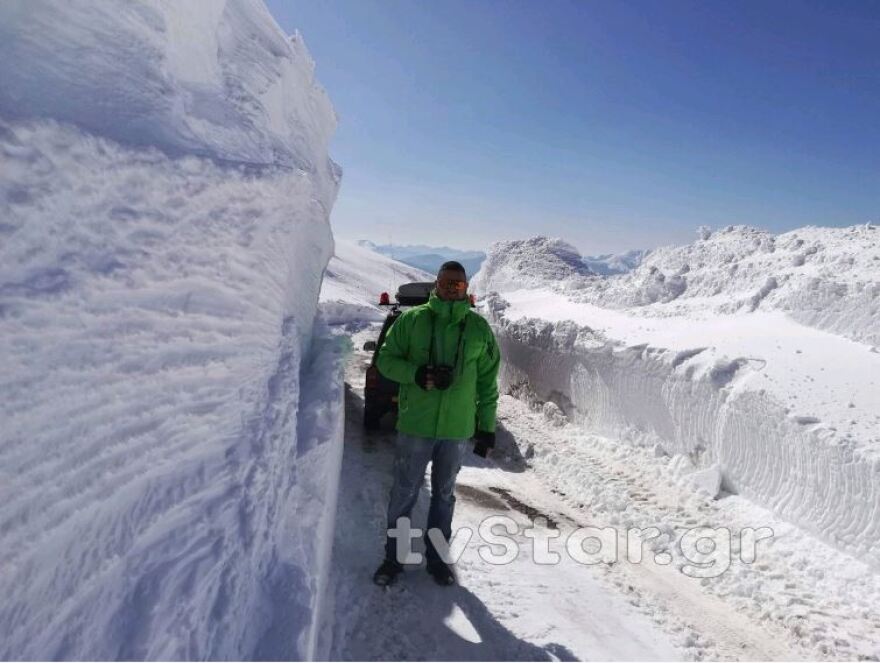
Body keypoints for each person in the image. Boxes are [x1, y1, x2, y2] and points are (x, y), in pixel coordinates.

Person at [372, 261, 500, 586]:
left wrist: (486, 428)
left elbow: (488, 383)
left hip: (456, 431)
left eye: (458, 284)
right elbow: (385, 360)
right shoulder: (411, 321)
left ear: (466, 288)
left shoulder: (478, 329)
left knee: (444, 496)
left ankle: (437, 559)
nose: (452, 288)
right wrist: (415, 374)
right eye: (446, 283)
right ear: (436, 285)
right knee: (404, 492)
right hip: (415, 425)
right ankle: (394, 557)